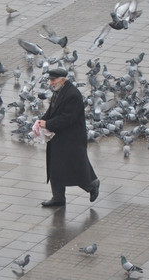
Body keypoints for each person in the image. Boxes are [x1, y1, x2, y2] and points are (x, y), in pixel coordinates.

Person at [36, 68, 100, 207]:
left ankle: (92, 185)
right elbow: (52, 110)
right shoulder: (58, 91)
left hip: (72, 138)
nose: (51, 83)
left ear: (63, 80)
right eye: (50, 80)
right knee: (55, 167)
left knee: (76, 166)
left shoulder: (72, 95)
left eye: (53, 80)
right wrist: (41, 121)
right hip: (59, 137)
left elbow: (67, 118)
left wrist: (48, 123)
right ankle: (58, 197)